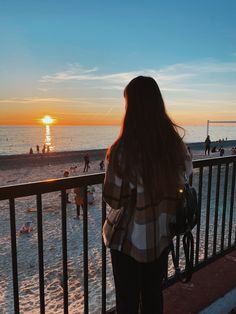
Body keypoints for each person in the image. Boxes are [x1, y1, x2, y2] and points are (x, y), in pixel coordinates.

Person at [102, 76, 192, 314]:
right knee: (153, 297)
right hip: (160, 237)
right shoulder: (176, 145)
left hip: (127, 241)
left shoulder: (123, 150)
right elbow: (185, 180)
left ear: (131, 107)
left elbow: (113, 199)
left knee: (127, 302)